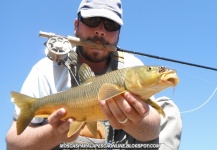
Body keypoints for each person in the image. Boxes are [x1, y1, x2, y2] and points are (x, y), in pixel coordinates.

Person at [6, 0, 182, 149]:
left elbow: (153, 133)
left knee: (167, 108)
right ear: (76, 25)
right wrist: (54, 133)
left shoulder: (131, 65)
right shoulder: (46, 69)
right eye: (92, 20)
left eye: (110, 25)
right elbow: (12, 143)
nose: (100, 31)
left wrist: (140, 120)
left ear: (118, 34)